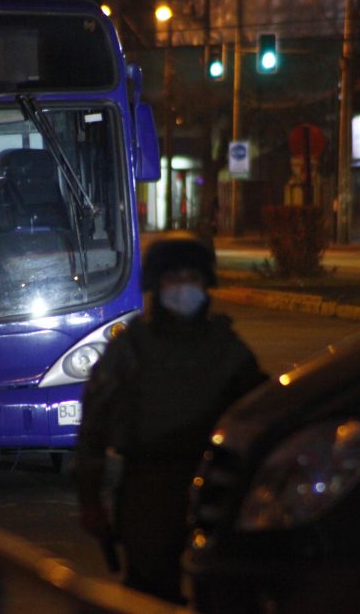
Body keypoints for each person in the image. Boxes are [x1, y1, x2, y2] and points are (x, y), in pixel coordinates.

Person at [73, 235, 267, 604]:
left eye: (190, 278)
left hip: (214, 486)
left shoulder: (228, 348)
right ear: (156, 285)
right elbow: (94, 429)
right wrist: (90, 499)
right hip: (148, 486)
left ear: (205, 283)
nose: (182, 287)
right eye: (172, 278)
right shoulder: (129, 350)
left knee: (220, 591)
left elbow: (261, 412)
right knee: (150, 595)